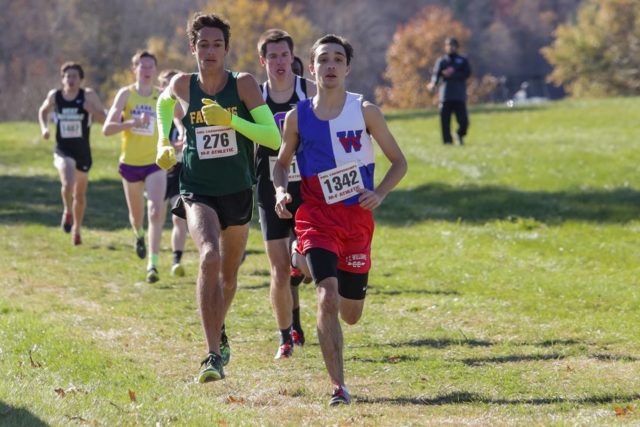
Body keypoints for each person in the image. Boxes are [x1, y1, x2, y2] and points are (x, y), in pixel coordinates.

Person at [273, 34, 407, 405]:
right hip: (316, 217)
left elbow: (399, 162)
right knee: (327, 296)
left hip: (356, 221)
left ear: (347, 67)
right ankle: (338, 387)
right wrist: (282, 192)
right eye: (322, 60)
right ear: (311, 68)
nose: (330, 66)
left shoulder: (365, 111)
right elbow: (282, 166)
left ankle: (300, 262)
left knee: (350, 314)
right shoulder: (298, 116)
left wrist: (379, 193)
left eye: (337, 59)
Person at [155, 12, 280, 383]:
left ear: (227, 49)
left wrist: (231, 122)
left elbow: (272, 139)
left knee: (228, 277)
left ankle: (219, 329)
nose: (209, 52)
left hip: (238, 190)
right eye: (203, 45)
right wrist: (165, 141)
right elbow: (163, 105)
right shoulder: (183, 84)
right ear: (192, 48)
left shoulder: (243, 85)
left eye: (217, 45)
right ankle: (212, 355)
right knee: (208, 255)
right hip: (197, 189)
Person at [256, 29, 317, 359]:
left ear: (293, 59)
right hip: (270, 186)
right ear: (263, 60)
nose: (280, 62)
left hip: (308, 186)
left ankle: (299, 270)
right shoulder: (256, 96)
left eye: (285, 56)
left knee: (305, 262)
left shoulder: (309, 92)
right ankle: (285, 337)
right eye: (273, 56)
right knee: (279, 270)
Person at [102, 51, 167, 283]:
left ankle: (153, 264)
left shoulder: (162, 97)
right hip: (130, 163)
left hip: (155, 163)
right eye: (142, 66)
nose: (147, 70)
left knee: (156, 210)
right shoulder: (125, 95)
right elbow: (107, 129)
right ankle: (138, 234)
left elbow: (179, 119)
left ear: (155, 70)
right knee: (136, 216)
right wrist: (131, 123)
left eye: (151, 66)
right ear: (135, 69)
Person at [38, 62, 107, 245]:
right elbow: (42, 111)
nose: (71, 80)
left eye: (74, 76)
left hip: (82, 152)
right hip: (62, 149)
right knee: (68, 182)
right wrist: (45, 128)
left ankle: (76, 228)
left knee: (80, 195)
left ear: (81, 79)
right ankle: (67, 211)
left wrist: (91, 110)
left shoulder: (89, 95)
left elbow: (104, 119)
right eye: (67, 76)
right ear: (62, 79)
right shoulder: (56, 96)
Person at [157, 69, 188, 277]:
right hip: (159, 172)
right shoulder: (158, 116)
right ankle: (151, 256)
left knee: (179, 217)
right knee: (155, 214)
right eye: (168, 85)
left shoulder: (188, 114)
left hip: (182, 171)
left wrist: (183, 145)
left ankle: (176, 260)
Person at [427, 37, 471, 145]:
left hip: (459, 95)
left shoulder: (462, 60)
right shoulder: (442, 61)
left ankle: (460, 134)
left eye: (453, 45)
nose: (450, 47)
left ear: (456, 47)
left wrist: (453, 74)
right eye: (448, 45)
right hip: (445, 95)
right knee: (445, 121)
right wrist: (433, 84)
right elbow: (436, 75)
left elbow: (467, 73)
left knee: (463, 121)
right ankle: (447, 142)